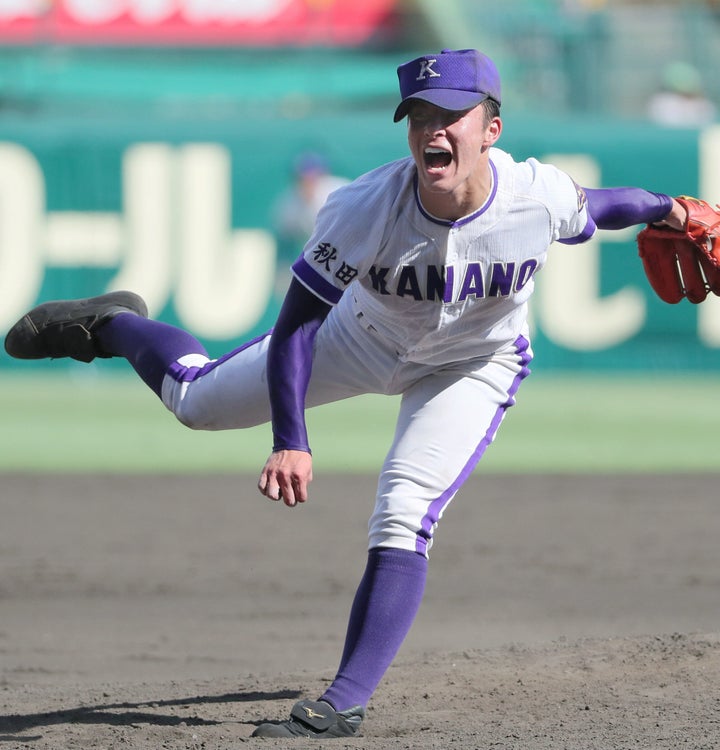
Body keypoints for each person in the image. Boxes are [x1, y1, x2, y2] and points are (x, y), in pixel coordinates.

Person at [4, 48, 693, 739]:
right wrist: (290, 438)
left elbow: (605, 207)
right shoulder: (365, 207)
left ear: (492, 129)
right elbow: (297, 328)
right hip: (354, 338)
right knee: (196, 403)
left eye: (453, 114)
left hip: (472, 366)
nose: (434, 130)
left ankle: (343, 700)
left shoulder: (535, 195)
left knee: (404, 511)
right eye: (421, 115)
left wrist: (670, 209)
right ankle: (115, 323)